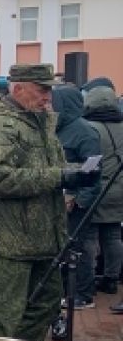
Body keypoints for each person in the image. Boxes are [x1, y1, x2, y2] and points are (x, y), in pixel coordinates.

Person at [0, 65, 97, 341]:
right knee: (6, 312)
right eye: (41, 89)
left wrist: (75, 173)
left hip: (43, 233)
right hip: (12, 236)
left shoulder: (40, 121)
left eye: (49, 89)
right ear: (18, 89)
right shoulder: (1, 125)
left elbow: (45, 166)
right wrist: (60, 176)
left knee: (46, 302)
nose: (47, 96)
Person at [52, 84, 102, 309]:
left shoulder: (85, 131)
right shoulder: (57, 128)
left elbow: (94, 170)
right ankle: (65, 290)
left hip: (77, 204)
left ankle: (83, 293)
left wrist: (79, 199)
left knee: (78, 249)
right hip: (59, 201)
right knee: (64, 248)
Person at [80, 85, 123, 303]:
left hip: (98, 190)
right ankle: (112, 279)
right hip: (119, 190)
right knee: (113, 236)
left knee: (89, 237)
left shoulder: (89, 128)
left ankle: (87, 283)